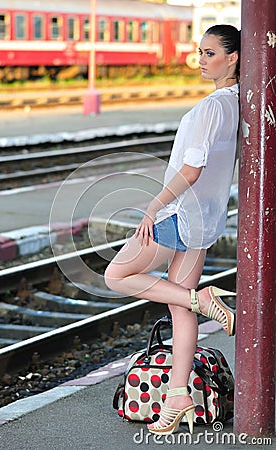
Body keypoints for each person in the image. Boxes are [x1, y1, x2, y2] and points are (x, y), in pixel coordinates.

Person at [104, 24, 240, 436]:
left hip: (179, 215)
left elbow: (192, 169)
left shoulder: (214, 106)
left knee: (116, 275)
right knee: (179, 309)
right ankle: (178, 393)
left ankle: (203, 300)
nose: (201, 59)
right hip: (205, 220)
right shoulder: (236, 103)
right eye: (200, 52)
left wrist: (155, 204)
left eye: (210, 52)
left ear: (232, 58)